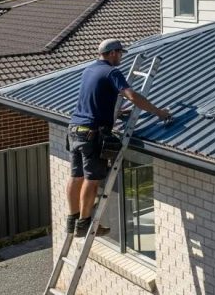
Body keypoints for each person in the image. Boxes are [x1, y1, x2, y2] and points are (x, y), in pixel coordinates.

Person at [67, 39, 171, 237]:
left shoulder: (90, 69)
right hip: (91, 133)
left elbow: (94, 98)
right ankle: (85, 224)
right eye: (120, 53)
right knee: (92, 178)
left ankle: (73, 220)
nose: (121, 57)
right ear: (113, 53)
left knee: (76, 176)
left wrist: (114, 111)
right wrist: (159, 112)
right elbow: (132, 95)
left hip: (74, 129)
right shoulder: (111, 72)